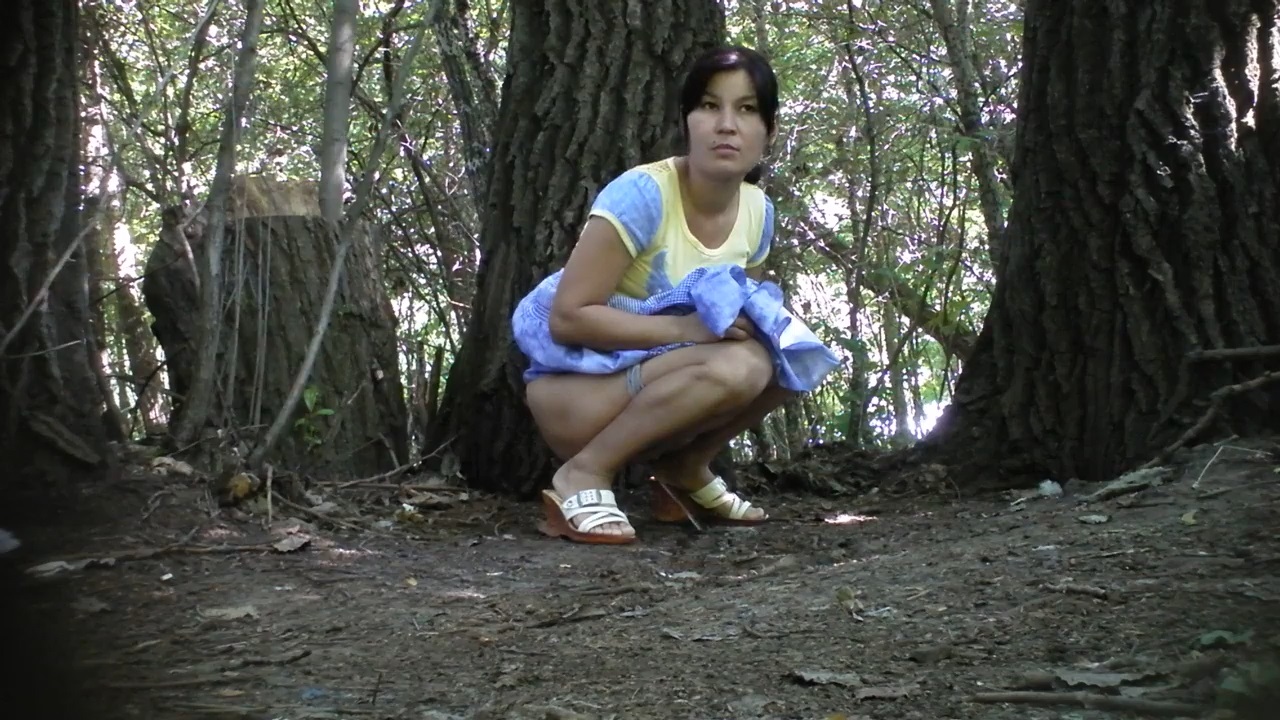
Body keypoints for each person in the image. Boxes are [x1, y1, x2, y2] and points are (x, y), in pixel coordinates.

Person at [511, 45, 839, 544]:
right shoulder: (644, 195)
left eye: (746, 109)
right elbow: (568, 319)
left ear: (769, 131)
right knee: (741, 364)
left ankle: (684, 471)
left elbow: (740, 314)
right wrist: (687, 329)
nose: (726, 125)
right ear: (687, 121)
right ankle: (583, 473)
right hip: (577, 393)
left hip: (664, 389)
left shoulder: (758, 212)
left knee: (792, 355)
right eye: (709, 106)